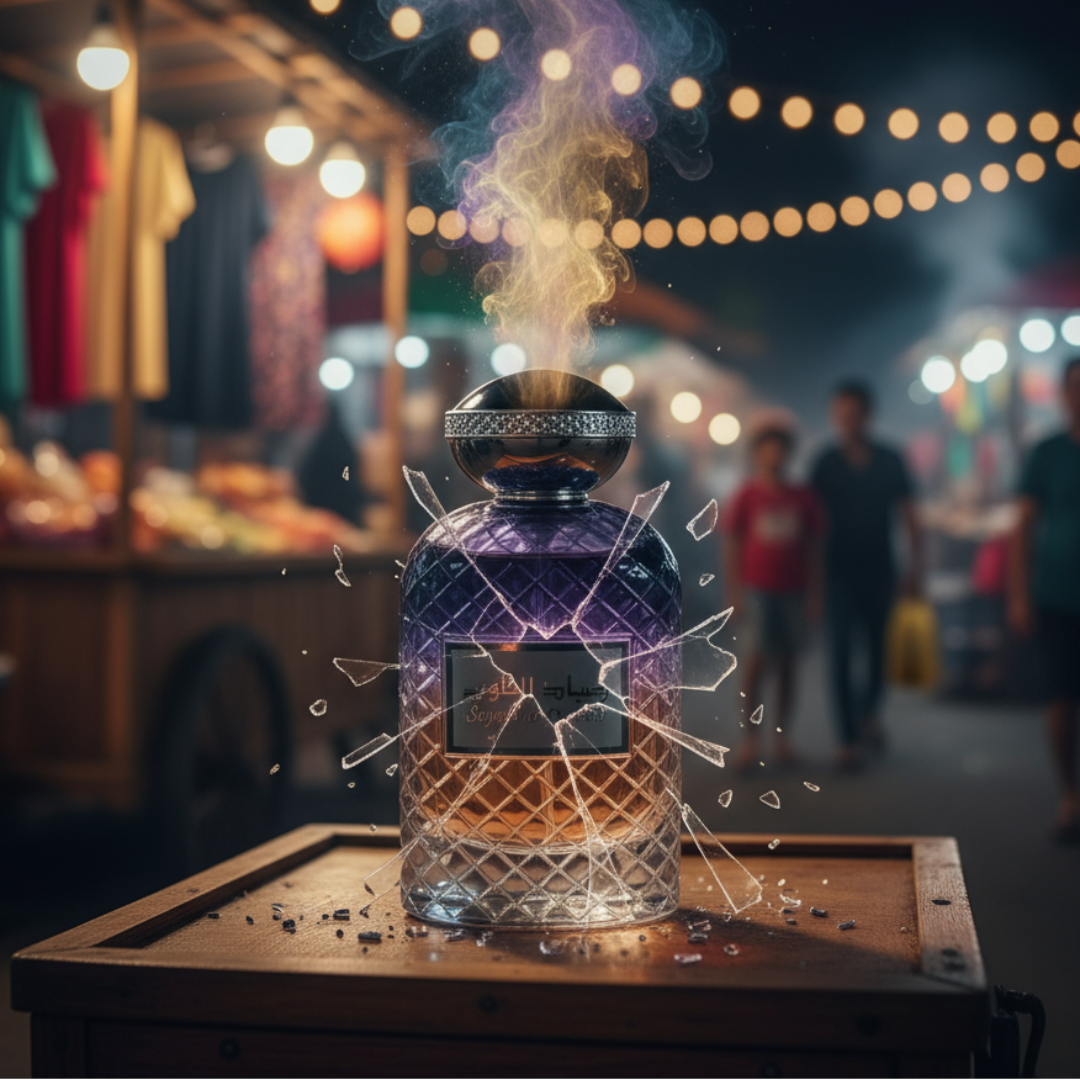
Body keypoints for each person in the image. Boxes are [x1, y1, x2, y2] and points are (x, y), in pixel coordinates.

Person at [810, 380, 922, 768]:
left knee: (878, 651)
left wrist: (915, 568)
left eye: (855, 414)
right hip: (837, 574)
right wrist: (810, 583)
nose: (848, 422)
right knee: (839, 653)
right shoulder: (825, 463)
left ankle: (869, 711)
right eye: (841, 416)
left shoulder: (890, 459)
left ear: (868, 416)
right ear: (834, 418)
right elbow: (811, 523)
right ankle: (847, 738)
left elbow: (909, 515)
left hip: (881, 570)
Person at [723, 421, 823, 768]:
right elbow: (732, 544)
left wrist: (814, 593)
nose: (774, 456)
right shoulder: (747, 495)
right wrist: (734, 592)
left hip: (793, 591)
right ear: (757, 454)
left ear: (789, 454)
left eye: (780, 449)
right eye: (767, 448)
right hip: (757, 591)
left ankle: (781, 738)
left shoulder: (802, 497)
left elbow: (814, 548)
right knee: (754, 662)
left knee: (788, 665)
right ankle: (750, 739)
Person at [1009, 357, 1080, 844]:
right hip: (1056, 591)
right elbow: (1023, 527)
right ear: (1063, 394)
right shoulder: (1047, 452)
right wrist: (1018, 593)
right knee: (1061, 696)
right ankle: (1069, 795)